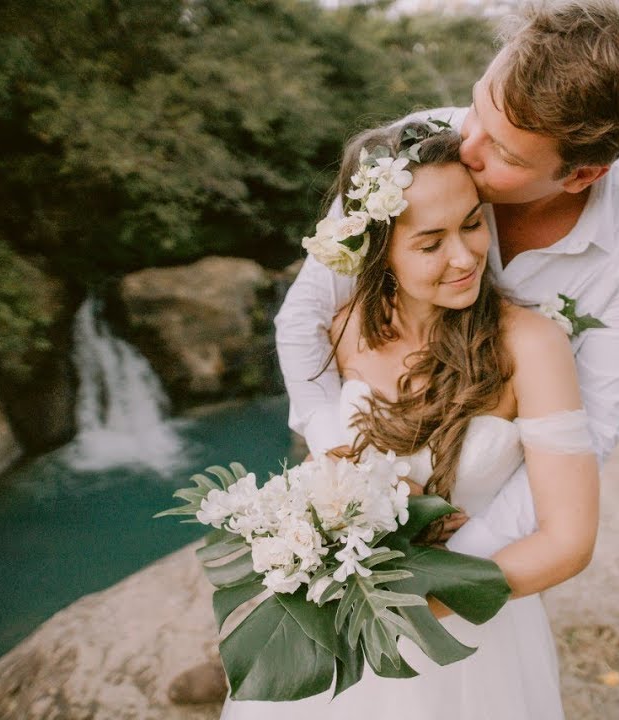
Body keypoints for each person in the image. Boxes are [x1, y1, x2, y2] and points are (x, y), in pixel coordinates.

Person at [170, 0, 619, 705]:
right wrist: (337, 459)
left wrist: (424, 576)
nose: (466, 142)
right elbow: (305, 316)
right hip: (363, 420)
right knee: (305, 543)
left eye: (503, 155)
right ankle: (257, 651)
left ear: (581, 175)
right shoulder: (421, 148)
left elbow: (590, 431)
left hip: (488, 471)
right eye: (478, 108)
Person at [222, 114, 598, 719]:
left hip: (468, 646)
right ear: (379, 250)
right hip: (342, 632)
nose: (464, 256)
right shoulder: (344, 331)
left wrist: (416, 602)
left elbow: (568, 541)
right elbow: (329, 465)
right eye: (429, 243)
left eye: (474, 224)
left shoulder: (530, 347)